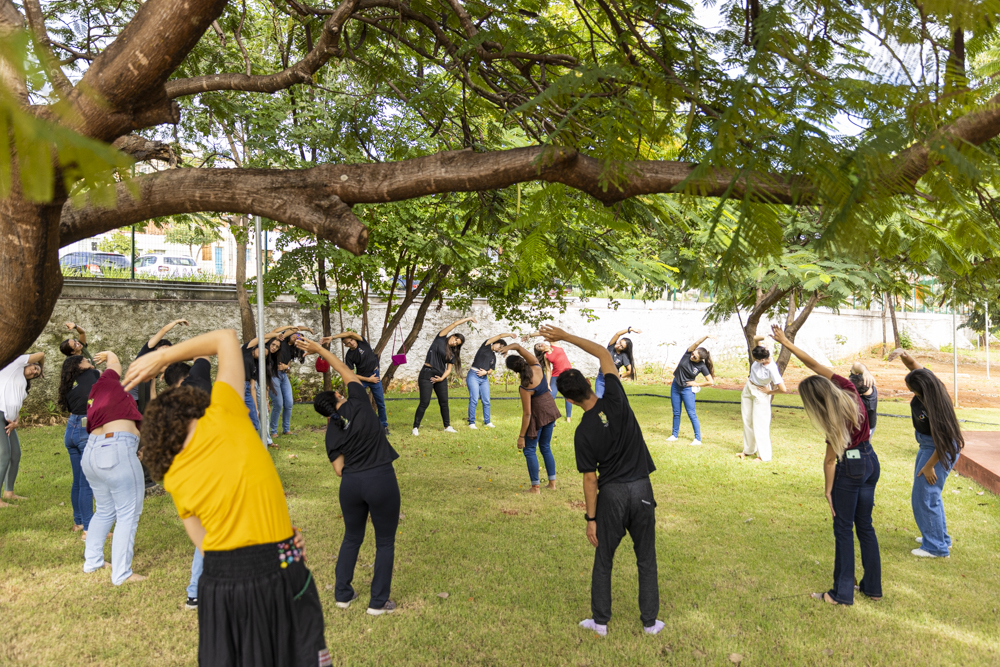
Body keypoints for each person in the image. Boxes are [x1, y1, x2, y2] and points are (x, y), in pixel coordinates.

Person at [126, 329, 328, 666]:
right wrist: (162, 356)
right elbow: (224, 338)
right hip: (278, 566)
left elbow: (205, 544)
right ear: (192, 405)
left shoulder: (175, 475)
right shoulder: (223, 413)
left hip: (219, 583)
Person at [540, 324, 663, 636]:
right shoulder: (616, 398)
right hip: (642, 489)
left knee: (604, 559)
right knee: (646, 558)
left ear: (567, 398)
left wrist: (591, 518)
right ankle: (650, 623)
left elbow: (590, 480)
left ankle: (600, 623)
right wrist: (564, 337)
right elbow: (600, 351)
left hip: (612, 497)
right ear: (588, 384)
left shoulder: (583, 432)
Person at [770, 325, 880, 606]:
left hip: (852, 468)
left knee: (843, 529)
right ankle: (872, 588)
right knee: (865, 525)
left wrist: (828, 490)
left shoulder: (834, 423)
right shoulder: (848, 388)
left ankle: (841, 594)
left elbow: (830, 461)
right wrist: (786, 342)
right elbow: (815, 365)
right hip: (870, 461)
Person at [297, 337, 401, 615]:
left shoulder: (332, 430)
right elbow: (345, 370)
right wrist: (319, 349)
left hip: (351, 486)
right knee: (385, 542)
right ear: (338, 396)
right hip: (380, 479)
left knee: (352, 538)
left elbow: (338, 469)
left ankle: (343, 594)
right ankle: (378, 602)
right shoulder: (359, 402)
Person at [81, 349, 146, 584]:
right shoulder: (109, 380)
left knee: (105, 510)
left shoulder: (98, 388)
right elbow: (115, 362)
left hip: (92, 452)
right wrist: (110, 353)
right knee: (128, 513)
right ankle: (121, 573)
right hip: (116, 448)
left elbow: (114, 365)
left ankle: (93, 561)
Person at [896, 351, 964, 558]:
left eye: (911, 390)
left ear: (922, 390)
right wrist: (903, 355)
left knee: (925, 496)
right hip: (928, 445)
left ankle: (935, 547)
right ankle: (939, 537)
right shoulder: (932, 384)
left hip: (939, 449)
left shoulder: (933, 405)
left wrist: (929, 466)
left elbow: (945, 441)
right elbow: (914, 366)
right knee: (927, 494)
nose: (909, 391)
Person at [503, 342, 560, 493]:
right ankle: (552, 484)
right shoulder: (536, 366)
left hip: (539, 414)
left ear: (514, 371)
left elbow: (527, 414)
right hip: (550, 410)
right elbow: (519, 347)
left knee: (529, 450)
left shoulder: (525, 386)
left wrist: (521, 436)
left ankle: (535, 487)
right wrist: (508, 348)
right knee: (545, 447)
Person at [58, 355, 99, 535]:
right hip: (85, 428)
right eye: (85, 359)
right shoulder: (93, 374)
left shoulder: (68, 383)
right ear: (79, 365)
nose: (88, 360)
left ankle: (79, 522)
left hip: (71, 429)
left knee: (78, 481)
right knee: (86, 483)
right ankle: (89, 529)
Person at [412, 316, 473, 436]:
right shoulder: (440, 338)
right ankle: (415, 427)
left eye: (457, 343)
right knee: (425, 402)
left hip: (440, 377)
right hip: (427, 373)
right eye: (455, 339)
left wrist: (442, 378)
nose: (454, 342)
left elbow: (449, 369)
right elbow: (454, 323)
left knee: (444, 402)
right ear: (452, 335)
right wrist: (468, 318)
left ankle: (447, 426)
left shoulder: (452, 354)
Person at [0, 352, 44, 507]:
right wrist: (42, 365)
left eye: (37, 373)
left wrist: (16, 422)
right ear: (27, 364)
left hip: (8, 420)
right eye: (34, 368)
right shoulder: (15, 364)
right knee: (4, 456)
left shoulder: (23, 384)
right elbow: (41, 354)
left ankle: (9, 492)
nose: (34, 372)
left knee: (15, 454)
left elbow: (16, 404)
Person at [739, 335, 788, 463]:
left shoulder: (772, 368)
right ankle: (749, 450)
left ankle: (763, 455)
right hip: (749, 387)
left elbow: (783, 389)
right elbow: (755, 338)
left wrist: (770, 391)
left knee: (760, 424)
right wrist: (765, 337)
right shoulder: (760, 352)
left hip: (761, 392)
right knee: (747, 420)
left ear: (761, 360)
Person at [331, 330, 390, 433]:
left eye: (352, 340)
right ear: (346, 346)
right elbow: (351, 374)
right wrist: (368, 379)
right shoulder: (349, 356)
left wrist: (332, 337)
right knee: (354, 402)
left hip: (374, 375)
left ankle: (383, 426)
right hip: (363, 379)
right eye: (348, 343)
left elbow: (351, 333)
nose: (352, 343)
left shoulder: (362, 342)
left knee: (380, 402)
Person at [131, 319, 189, 413]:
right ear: (154, 349)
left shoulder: (155, 370)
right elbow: (163, 330)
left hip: (139, 402)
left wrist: (156, 410)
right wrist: (175, 322)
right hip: (127, 398)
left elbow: (152, 391)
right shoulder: (145, 355)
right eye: (163, 349)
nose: (165, 353)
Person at [667, 335, 716, 446]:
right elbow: (696, 343)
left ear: (700, 360)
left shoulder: (701, 366)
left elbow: (710, 381)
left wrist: (696, 383)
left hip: (687, 390)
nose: (692, 356)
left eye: (695, 357)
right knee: (676, 412)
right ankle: (674, 435)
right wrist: (706, 336)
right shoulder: (688, 353)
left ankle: (697, 439)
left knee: (691, 413)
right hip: (675, 386)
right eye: (693, 353)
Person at [270, 326, 312, 438]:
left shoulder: (292, 350)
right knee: (278, 404)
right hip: (273, 375)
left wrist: (286, 367)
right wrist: (307, 329)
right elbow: (294, 329)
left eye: (300, 338)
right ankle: (273, 431)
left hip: (283, 376)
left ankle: (286, 429)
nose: (296, 336)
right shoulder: (281, 341)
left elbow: (288, 367)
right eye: (297, 335)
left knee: (289, 403)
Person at [466, 332, 513, 429]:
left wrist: (485, 373)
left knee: (486, 400)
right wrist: (509, 335)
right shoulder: (485, 346)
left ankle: (487, 421)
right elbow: (499, 335)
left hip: (484, 378)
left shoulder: (493, 357)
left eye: (501, 349)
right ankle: (471, 422)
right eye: (499, 346)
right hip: (473, 375)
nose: (498, 349)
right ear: (496, 342)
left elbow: (491, 370)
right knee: (474, 399)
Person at [241, 333, 280, 445]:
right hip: (235, 386)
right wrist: (277, 335)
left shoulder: (255, 366)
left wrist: (256, 408)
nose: (262, 354)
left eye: (265, 355)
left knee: (254, 420)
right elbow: (261, 337)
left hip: (247, 388)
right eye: (262, 351)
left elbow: (252, 387)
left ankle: (251, 443)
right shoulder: (245, 351)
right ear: (256, 347)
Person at [531, 337, 574, 422]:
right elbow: (548, 369)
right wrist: (548, 383)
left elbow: (550, 336)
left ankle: (568, 417)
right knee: (550, 397)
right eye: (538, 347)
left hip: (567, 375)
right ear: (541, 351)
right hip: (555, 376)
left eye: (539, 344)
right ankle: (548, 416)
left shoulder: (555, 345)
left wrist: (531, 335)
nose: (540, 345)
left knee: (568, 395)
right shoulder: (546, 355)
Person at [595, 327, 641, 398]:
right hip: (601, 378)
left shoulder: (623, 356)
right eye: (620, 342)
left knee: (610, 401)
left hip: (612, 380)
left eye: (621, 346)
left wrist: (621, 376)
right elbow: (618, 334)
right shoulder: (611, 347)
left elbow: (632, 371)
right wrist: (630, 329)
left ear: (623, 349)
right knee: (599, 399)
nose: (618, 345)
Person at [849, 362, 878, 436]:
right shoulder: (866, 384)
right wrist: (865, 371)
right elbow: (856, 365)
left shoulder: (868, 406)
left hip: (868, 428)